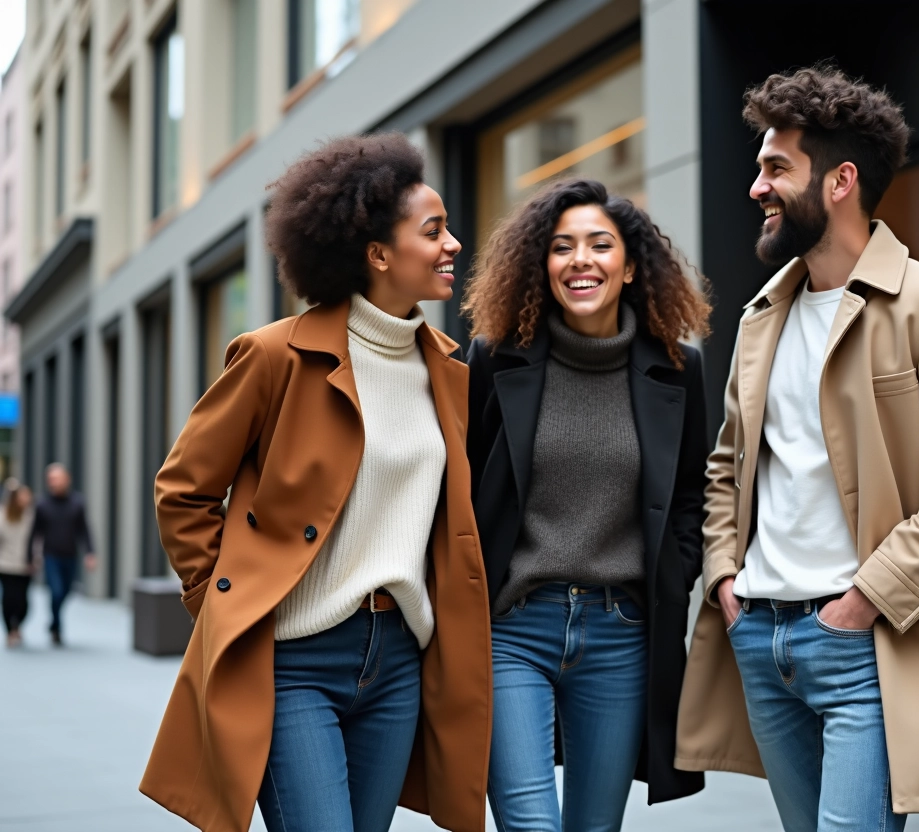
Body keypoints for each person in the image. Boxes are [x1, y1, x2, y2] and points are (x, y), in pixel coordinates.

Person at [675, 65, 919, 829]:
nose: (756, 188)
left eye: (775, 168)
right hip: (760, 633)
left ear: (840, 181)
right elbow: (731, 463)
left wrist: (865, 601)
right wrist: (727, 577)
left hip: (864, 646)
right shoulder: (763, 316)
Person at [139, 134, 492, 832]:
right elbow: (183, 488)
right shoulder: (276, 356)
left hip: (397, 661)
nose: (454, 244)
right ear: (377, 253)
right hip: (293, 661)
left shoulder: (451, 373)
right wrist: (224, 602)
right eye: (434, 230)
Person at [463, 178, 712, 832]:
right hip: (513, 629)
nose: (581, 260)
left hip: (621, 635)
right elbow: (464, 485)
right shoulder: (494, 360)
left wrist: (675, 574)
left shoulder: (679, 371)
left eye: (600, 245)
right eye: (562, 247)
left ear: (630, 267)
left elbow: (691, 495)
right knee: (530, 823)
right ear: (539, 266)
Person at [27, 463, 96, 646]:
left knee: (66, 591)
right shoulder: (42, 504)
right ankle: (56, 627)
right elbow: (34, 533)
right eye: (50, 479)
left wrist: (90, 552)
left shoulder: (77, 503)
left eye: (56, 478)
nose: (53, 482)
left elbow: (84, 529)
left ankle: (53, 622)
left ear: (67, 479)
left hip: (70, 556)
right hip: (51, 556)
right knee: (56, 591)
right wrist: (29, 557)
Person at [0, 478, 35, 647]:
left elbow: (38, 540)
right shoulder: (2, 515)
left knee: (23, 602)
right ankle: (9, 631)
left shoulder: (31, 516)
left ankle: (17, 625)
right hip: (6, 564)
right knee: (8, 598)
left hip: (25, 565)